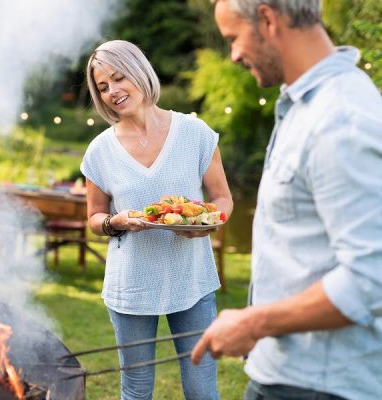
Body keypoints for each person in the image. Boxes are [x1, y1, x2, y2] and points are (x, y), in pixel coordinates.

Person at [191, 1, 382, 399]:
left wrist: (254, 323)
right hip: (285, 373)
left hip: (319, 385)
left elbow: (371, 279)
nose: (234, 55)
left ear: (267, 19)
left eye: (233, 38)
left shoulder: (340, 120)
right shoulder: (303, 106)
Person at [81, 39, 233, 399]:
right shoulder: (100, 150)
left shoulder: (195, 133)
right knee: (135, 390)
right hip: (131, 285)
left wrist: (211, 222)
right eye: (103, 87)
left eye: (119, 78)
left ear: (140, 73)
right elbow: (93, 218)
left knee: (201, 389)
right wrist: (114, 221)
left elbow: (223, 198)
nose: (112, 91)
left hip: (192, 280)